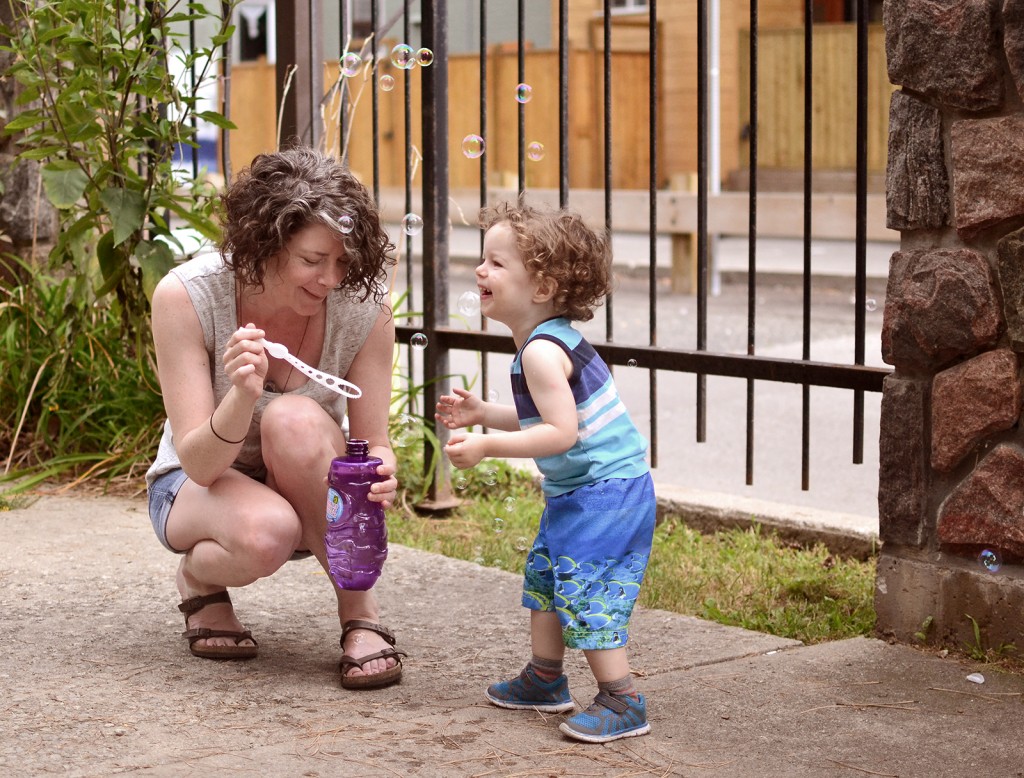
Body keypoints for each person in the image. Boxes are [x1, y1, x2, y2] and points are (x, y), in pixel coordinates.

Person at [145, 147, 406, 689]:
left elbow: (374, 439)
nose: (331, 278)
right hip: (199, 483)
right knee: (269, 533)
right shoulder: (187, 297)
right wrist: (241, 395)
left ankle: (360, 614)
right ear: (263, 244)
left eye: (343, 261)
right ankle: (198, 579)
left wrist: (380, 471)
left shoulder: (365, 308)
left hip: (303, 474)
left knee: (293, 417)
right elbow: (197, 462)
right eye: (313, 260)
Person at [434, 201, 656, 742]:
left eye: (496, 263)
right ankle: (545, 678)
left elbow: (561, 434)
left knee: (586, 587)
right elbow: (552, 416)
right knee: (548, 579)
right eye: (481, 260)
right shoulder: (546, 343)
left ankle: (623, 700)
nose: (480, 271)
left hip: (606, 493)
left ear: (541, 287)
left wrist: (487, 444)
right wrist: (487, 413)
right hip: (587, 491)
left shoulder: (539, 353)